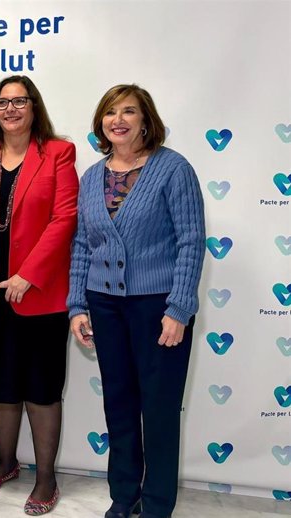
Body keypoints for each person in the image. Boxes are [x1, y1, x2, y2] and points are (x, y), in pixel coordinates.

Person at [67, 84, 205, 518]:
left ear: (146, 120)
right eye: (110, 112)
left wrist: (178, 308)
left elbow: (191, 240)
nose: (118, 119)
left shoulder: (173, 169)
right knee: (120, 405)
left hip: (157, 308)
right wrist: (77, 305)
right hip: (104, 305)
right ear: (101, 123)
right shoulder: (92, 176)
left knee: (159, 410)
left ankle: (159, 503)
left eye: (129, 111)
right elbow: (82, 247)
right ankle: (123, 496)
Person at [0, 75, 78, 516]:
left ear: (34, 106)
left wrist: (29, 274)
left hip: (37, 295)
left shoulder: (58, 152)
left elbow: (64, 218)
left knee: (40, 389)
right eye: (2, 103)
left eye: (19, 101)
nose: (10, 109)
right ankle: (6, 463)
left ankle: (46, 479)